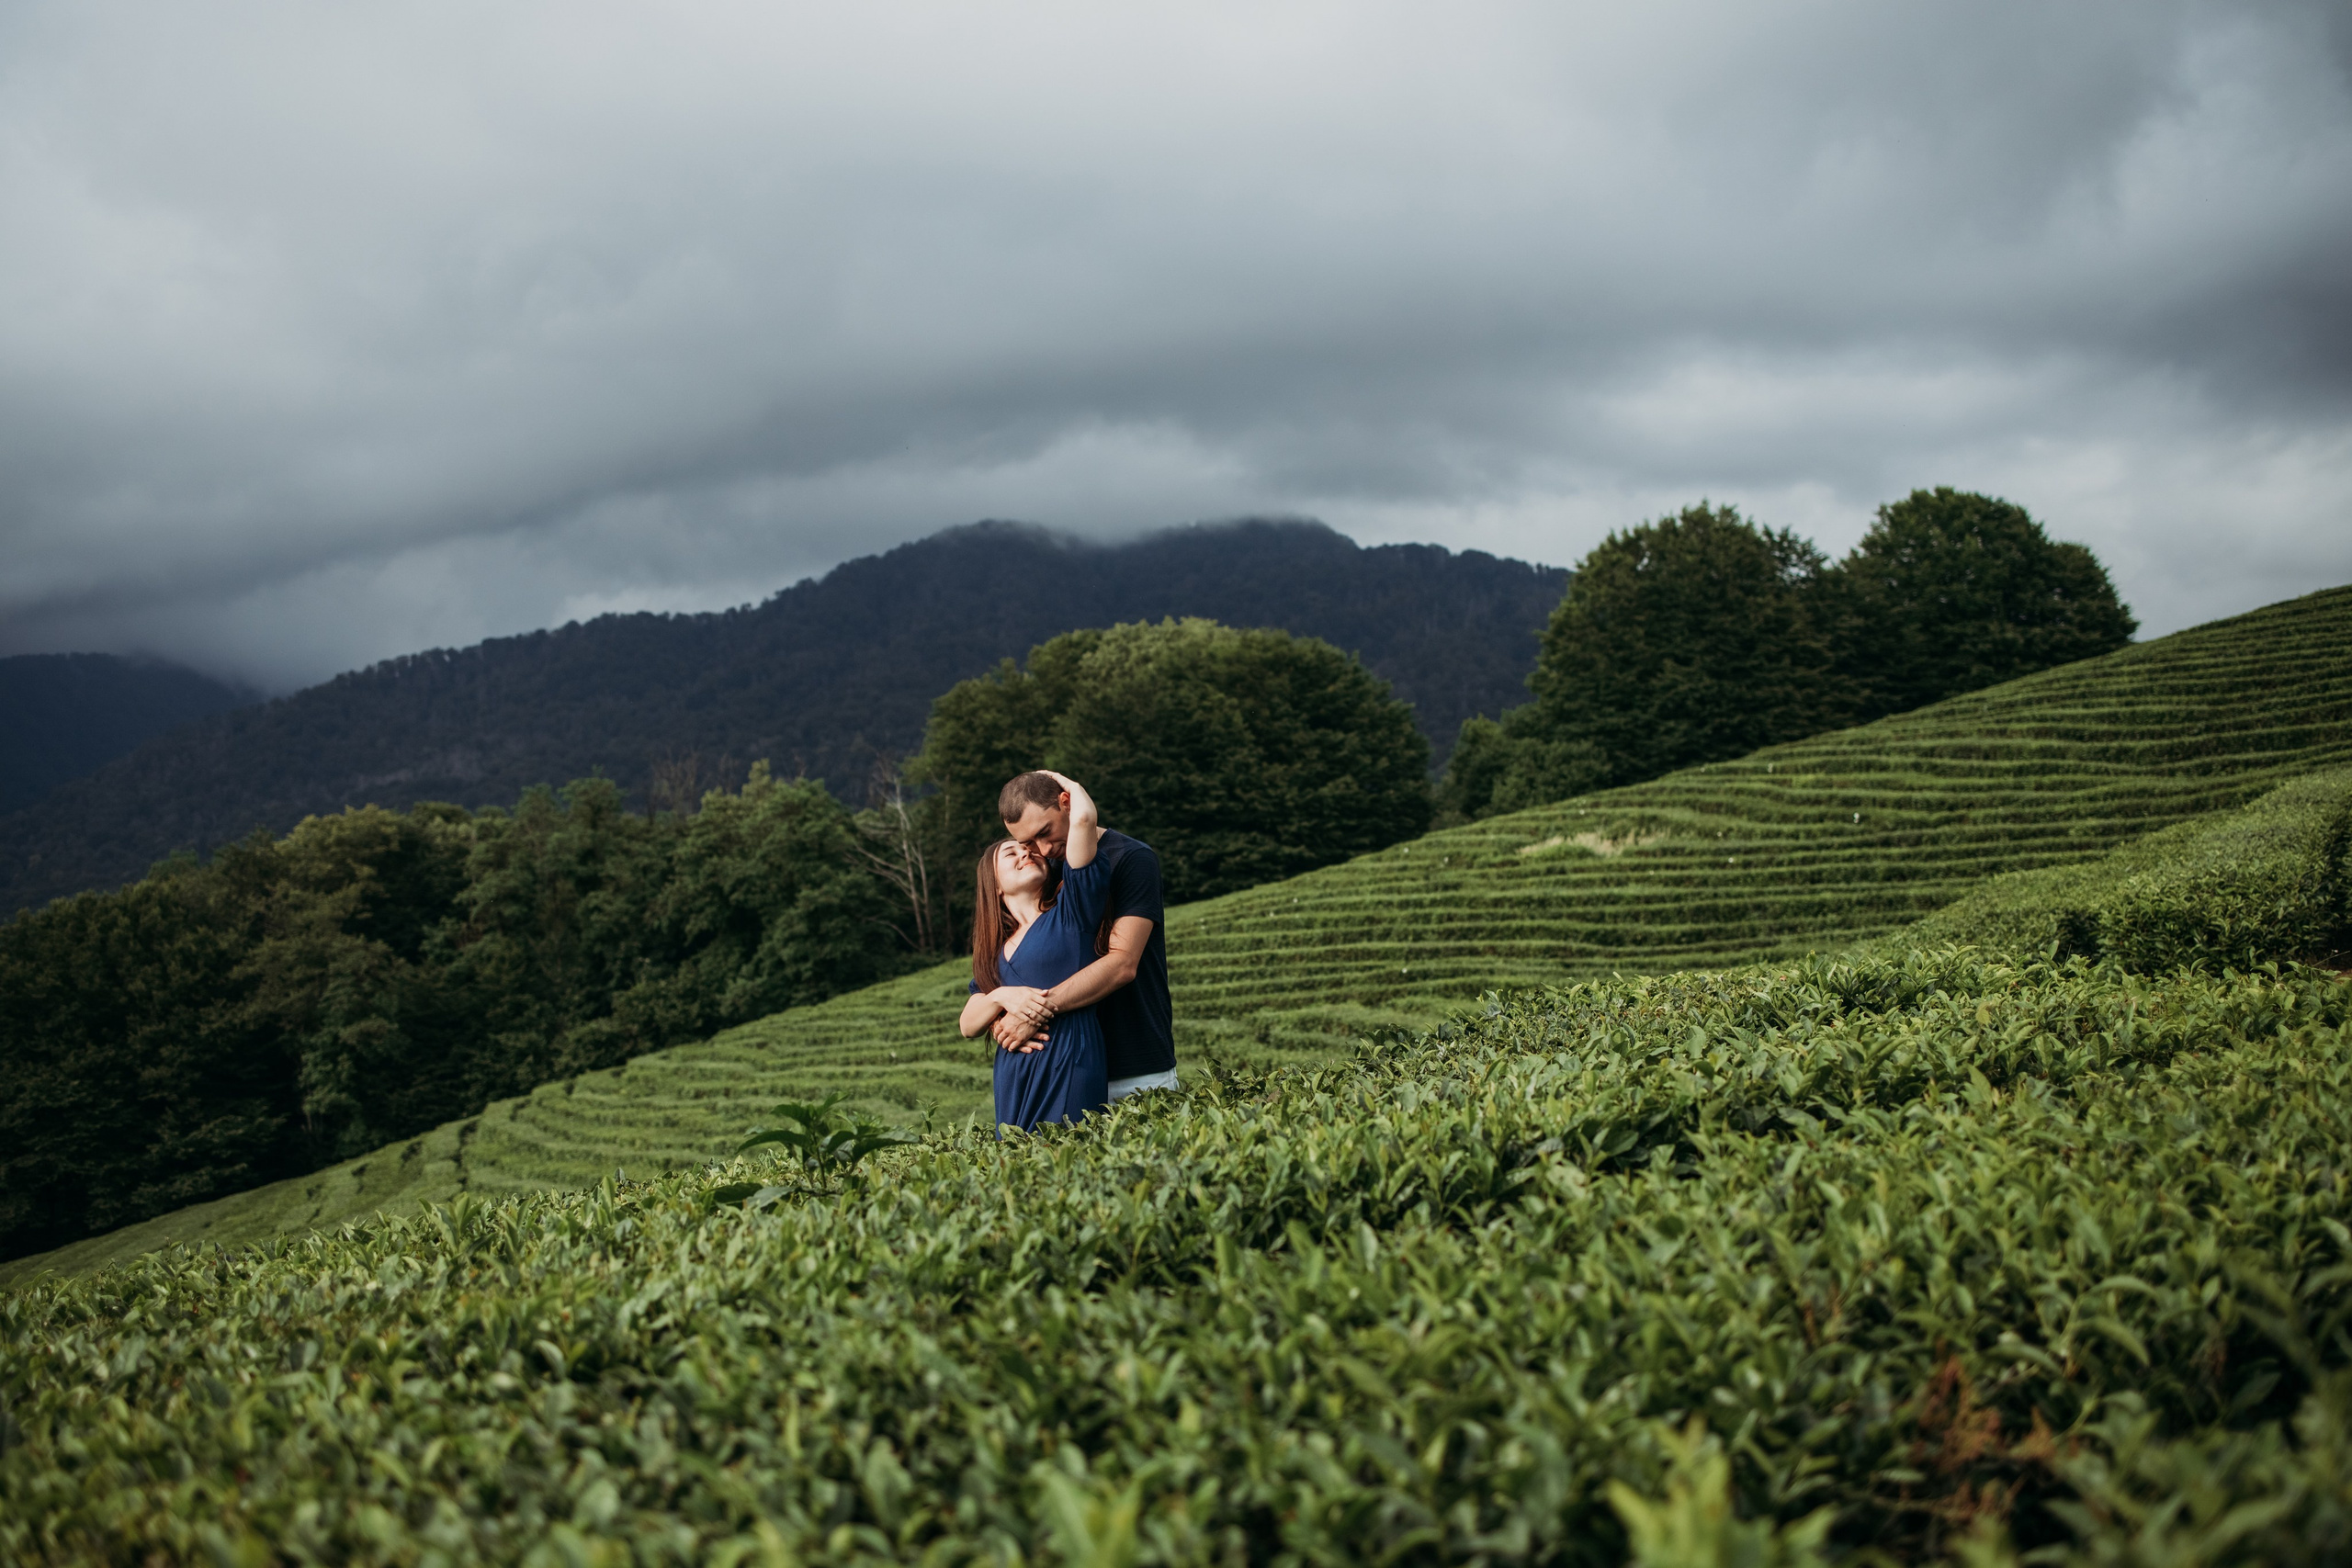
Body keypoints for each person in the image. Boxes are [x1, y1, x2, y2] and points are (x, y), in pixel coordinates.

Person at [989, 770, 1176, 1101]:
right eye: (1028, 844)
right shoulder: (1045, 870)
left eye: (1045, 832)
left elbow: (1122, 964)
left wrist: (1031, 1012)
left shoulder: (1132, 860)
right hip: (1061, 1068)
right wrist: (1002, 1009)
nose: (1042, 850)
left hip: (1132, 1064)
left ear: (1067, 803)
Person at [960, 772, 1112, 1130]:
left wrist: (1067, 786)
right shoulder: (995, 952)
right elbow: (968, 1025)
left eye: (1030, 849)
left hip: (1070, 1060)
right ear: (994, 886)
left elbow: (1085, 819)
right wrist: (1002, 995)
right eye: (1011, 851)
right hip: (1013, 1076)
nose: (1027, 853)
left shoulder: (1072, 911)